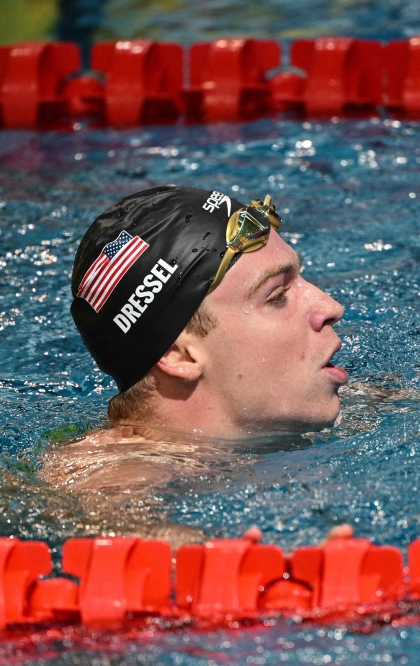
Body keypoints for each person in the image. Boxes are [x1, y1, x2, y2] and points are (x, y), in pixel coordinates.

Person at [40, 185, 349, 537]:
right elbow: (121, 539)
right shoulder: (107, 481)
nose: (330, 307)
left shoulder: (359, 405)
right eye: (278, 296)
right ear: (179, 354)